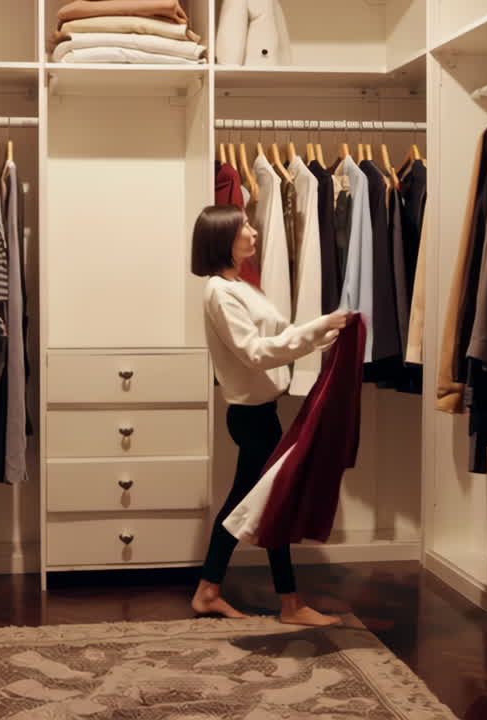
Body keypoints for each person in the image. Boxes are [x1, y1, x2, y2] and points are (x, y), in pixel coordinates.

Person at [190, 204, 350, 626]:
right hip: (252, 417)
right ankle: (290, 603)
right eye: (244, 225)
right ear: (223, 237)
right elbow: (256, 352)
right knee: (270, 503)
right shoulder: (220, 293)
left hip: (262, 414)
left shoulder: (240, 285)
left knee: (253, 503)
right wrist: (318, 329)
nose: (253, 230)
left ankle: (210, 591)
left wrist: (323, 330)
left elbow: (279, 333)